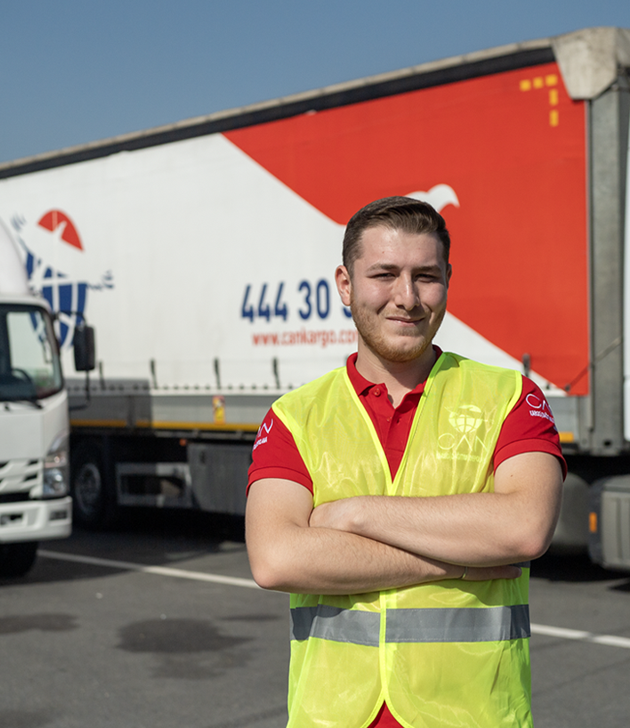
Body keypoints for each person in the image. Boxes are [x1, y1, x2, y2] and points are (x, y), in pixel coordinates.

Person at [245, 196, 565, 728]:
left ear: (448, 281)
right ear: (345, 284)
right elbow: (276, 559)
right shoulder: (295, 416)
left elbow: (525, 528)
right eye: (384, 274)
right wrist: (456, 562)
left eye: (426, 276)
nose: (407, 298)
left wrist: (354, 515)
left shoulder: (509, 396)